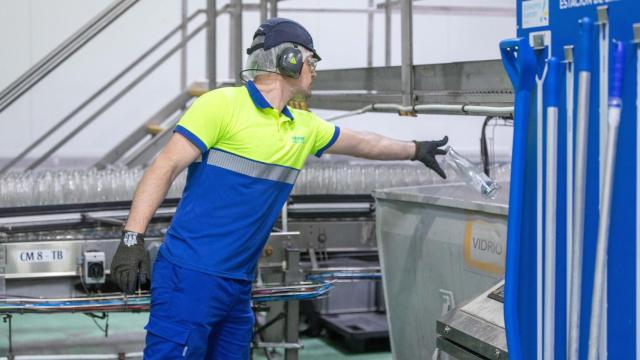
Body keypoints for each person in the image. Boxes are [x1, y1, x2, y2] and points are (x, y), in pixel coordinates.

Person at [110, 17, 448, 360]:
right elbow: (163, 166)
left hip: (238, 284)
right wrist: (131, 238)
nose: (314, 70)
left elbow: (365, 143)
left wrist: (415, 149)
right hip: (190, 276)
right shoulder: (222, 105)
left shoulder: (302, 126)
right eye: (311, 61)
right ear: (290, 59)